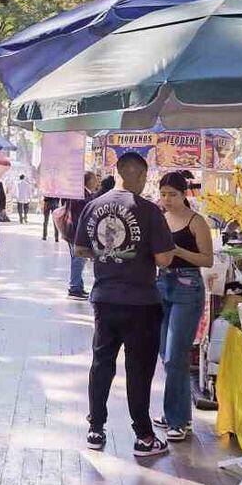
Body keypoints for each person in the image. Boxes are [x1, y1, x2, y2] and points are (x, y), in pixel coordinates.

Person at [74, 153, 175, 457]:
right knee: (139, 369)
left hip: (105, 299)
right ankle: (143, 436)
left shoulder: (94, 206)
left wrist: (109, 256)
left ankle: (95, 428)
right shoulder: (148, 210)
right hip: (141, 301)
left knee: (101, 363)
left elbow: (79, 248)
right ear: (142, 177)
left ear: (116, 173)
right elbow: (163, 258)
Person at [154, 171, 213, 443]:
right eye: (163, 194)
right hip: (161, 285)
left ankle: (177, 420)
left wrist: (177, 250)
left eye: (173, 194)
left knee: (176, 355)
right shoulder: (159, 218)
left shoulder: (195, 221)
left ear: (184, 194)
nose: (167, 199)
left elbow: (207, 260)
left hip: (188, 288)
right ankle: (177, 414)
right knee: (166, 355)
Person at [65, 171, 100, 300]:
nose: (97, 182)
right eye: (95, 179)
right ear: (89, 181)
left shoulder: (82, 195)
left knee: (78, 260)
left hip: (73, 233)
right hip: (76, 234)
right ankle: (74, 288)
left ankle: (78, 286)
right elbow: (81, 217)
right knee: (78, 260)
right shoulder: (81, 196)